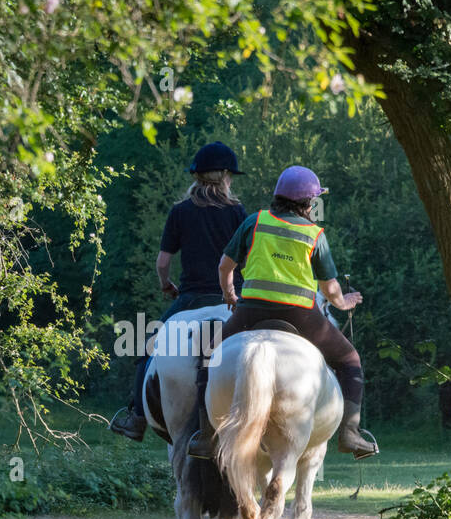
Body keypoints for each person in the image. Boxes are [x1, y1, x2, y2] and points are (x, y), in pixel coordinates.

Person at [186, 164, 378, 460]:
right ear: (308, 203)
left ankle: (205, 435)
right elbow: (330, 289)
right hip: (302, 316)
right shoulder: (314, 234)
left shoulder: (255, 222)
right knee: (350, 359)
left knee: (209, 354)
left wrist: (229, 294)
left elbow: (225, 266)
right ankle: (350, 433)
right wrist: (344, 303)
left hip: (251, 311)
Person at [109, 142, 247, 440]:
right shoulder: (238, 212)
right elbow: (245, 260)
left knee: (147, 348)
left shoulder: (181, 211)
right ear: (224, 176)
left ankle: (136, 418)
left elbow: (162, 263)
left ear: (197, 176)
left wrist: (165, 284)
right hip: (232, 300)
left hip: (190, 299)